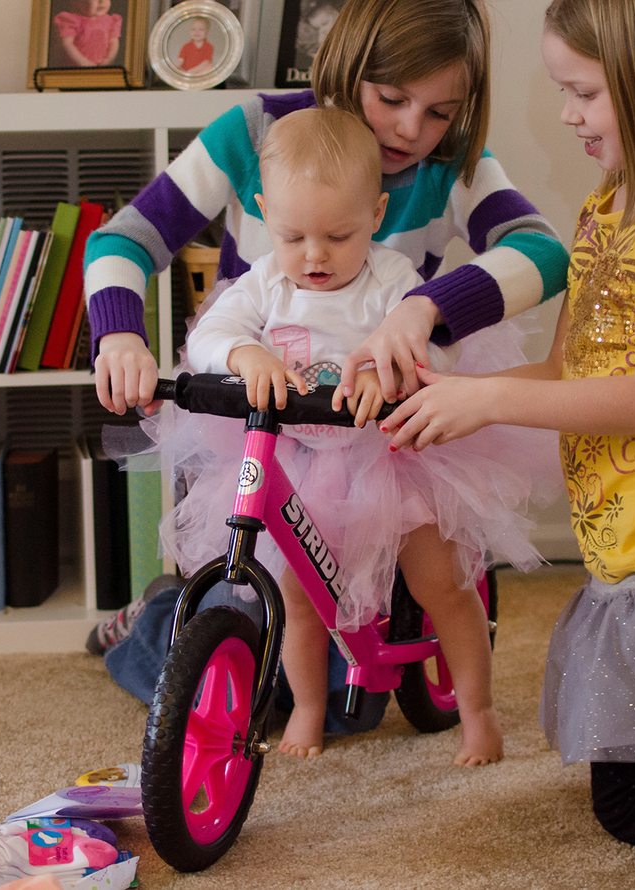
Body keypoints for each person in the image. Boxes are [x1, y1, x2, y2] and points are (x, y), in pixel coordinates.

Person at [84, 0, 570, 738]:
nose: (414, 129)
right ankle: (154, 616)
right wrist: (118, 335)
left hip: (372, 431)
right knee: (258, 682)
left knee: (353, 698)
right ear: (346, 68)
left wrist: (421, 312)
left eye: (441, 110)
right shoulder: (255, 132)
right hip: (266, 421)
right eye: (393, 99)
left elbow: (541, 250)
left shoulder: (450, 160)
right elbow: (125, 239)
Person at [384, 0, 635, 843]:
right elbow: (568, 374)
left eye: (584, 93)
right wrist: (448, 391)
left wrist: (487, 400)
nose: (567, 113)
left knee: (634, 811)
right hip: (626, 545)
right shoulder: (608, 207)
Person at [53, 0, 121, 68]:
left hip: (101, 67)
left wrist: (109, 59)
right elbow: (67, 44)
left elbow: (113, 42)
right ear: (78, 2)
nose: (101, 1)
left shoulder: (111, 21)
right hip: (77, 68)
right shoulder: (72, 21)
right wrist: (82, 62)